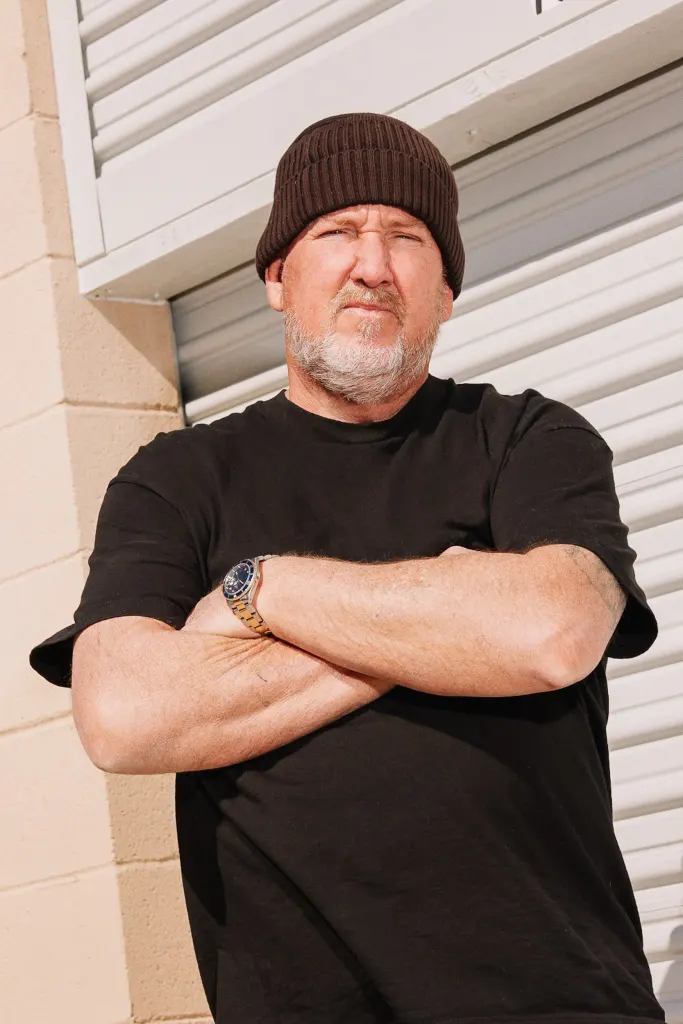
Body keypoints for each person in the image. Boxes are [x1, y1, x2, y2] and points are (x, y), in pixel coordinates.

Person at [30, 112, 664, 1024]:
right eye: (337, 232)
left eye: (406, 237)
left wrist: (261, 590)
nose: (372, 264)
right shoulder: (177, 479)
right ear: (277, 278)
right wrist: (449, 624)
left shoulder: (527, 438)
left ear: (446, 292)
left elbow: (550, 631)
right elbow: (124, 717)